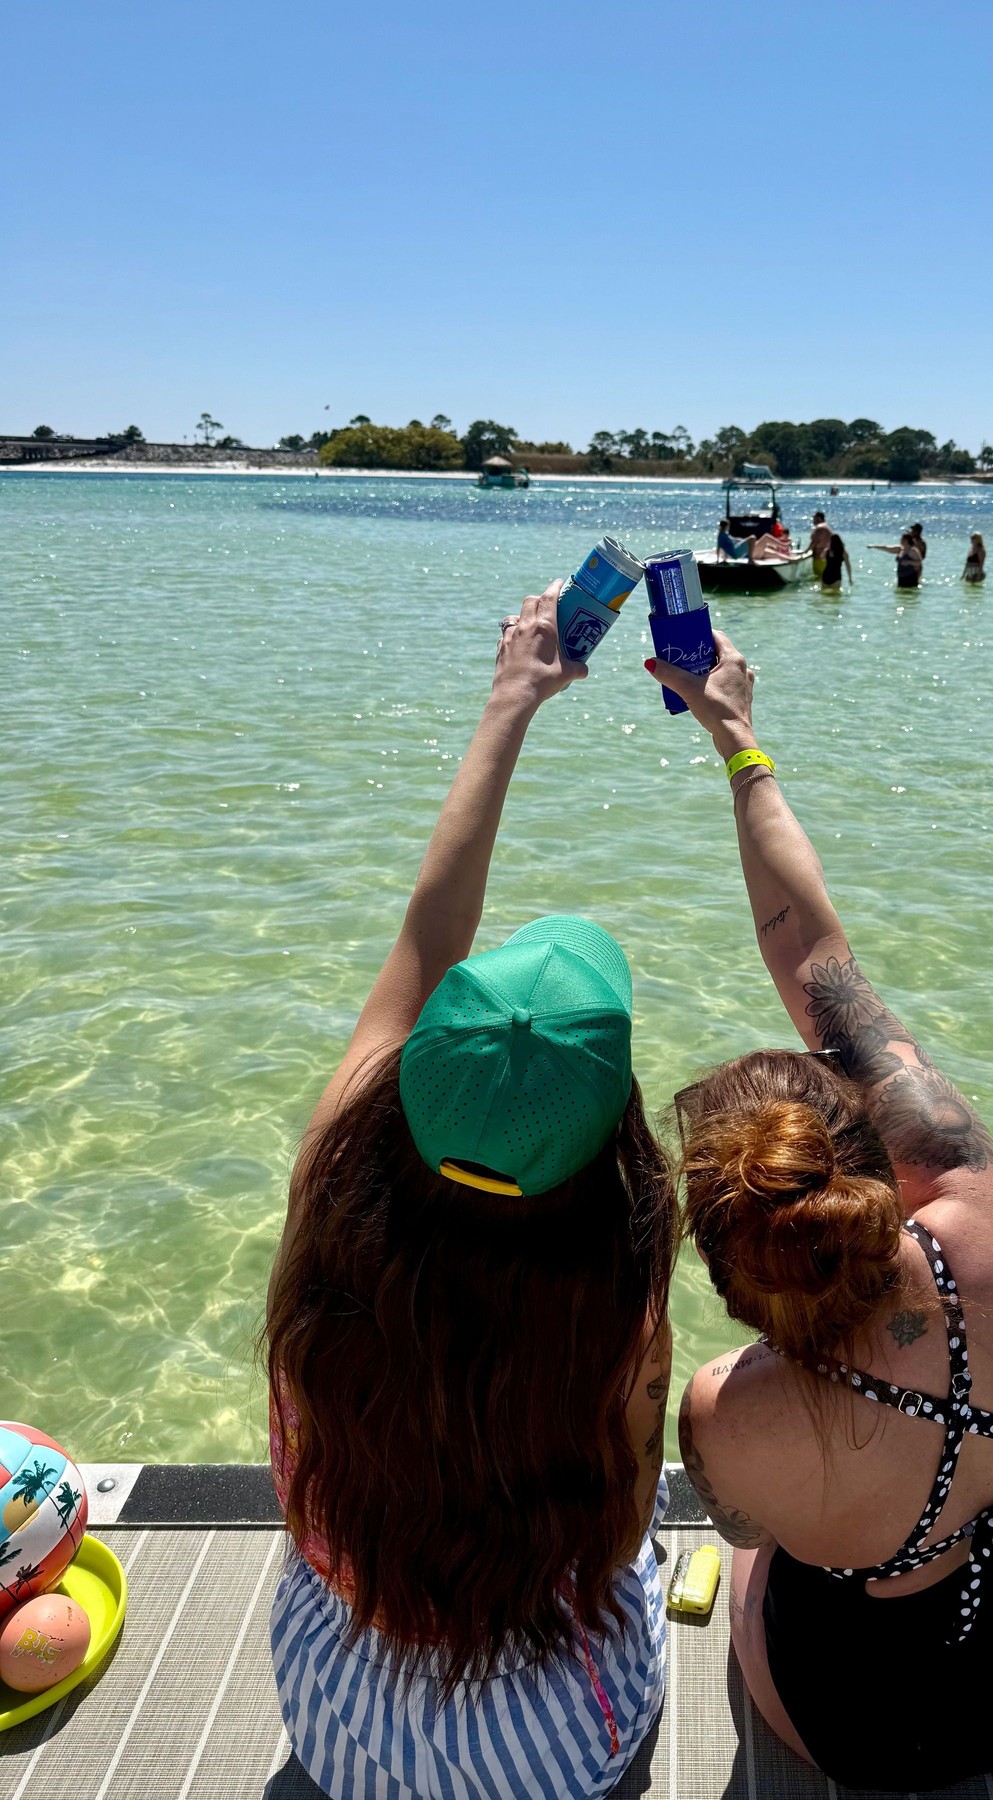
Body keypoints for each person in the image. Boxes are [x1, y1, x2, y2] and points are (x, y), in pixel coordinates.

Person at [644, 634, 993, 1792]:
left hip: (860, 1727)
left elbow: (756, 1535)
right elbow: (814, 956)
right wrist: (736, 738)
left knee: (752, 1560)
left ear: (722, 1267)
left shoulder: (727, 1406)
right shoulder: (975, 1203)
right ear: (874, 1154)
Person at [266, 580, 677, 1800]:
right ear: (616, 1143)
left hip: (332, 1695)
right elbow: (614, 1540)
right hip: (550, 1746)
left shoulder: (333, 1175)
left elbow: (428, 939)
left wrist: (513, 698)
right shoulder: (614, 1305)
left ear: (424, 1069)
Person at [804, 511, 833, 578]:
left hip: (820, 558)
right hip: (826, 558)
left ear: (818, 518)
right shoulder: (826, 527)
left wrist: (806, 551)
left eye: (814, 519)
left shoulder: (819, 528)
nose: (813, 521)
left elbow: (814, 542)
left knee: (819, 578)